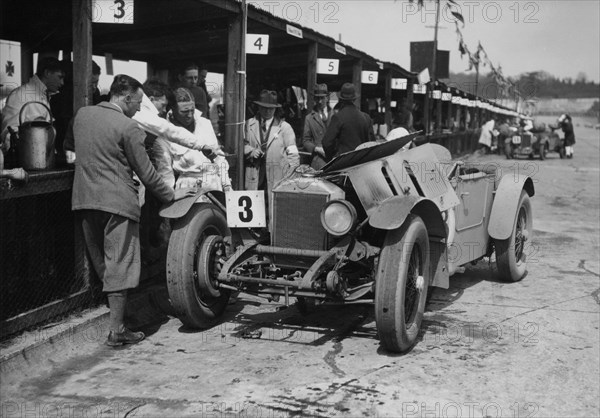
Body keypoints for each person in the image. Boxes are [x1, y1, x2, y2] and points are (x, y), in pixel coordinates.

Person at [71, 74, 194, 347]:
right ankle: (117, 330)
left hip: (84, 199)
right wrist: (170, 195)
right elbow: (148, 174)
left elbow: (71, 148)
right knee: (121, 263)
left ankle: (118, 316)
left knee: (101, 263)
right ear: (125, 98)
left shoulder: (82, 115)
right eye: (137, 104)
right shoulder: (130, 128)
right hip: (118, 203)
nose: (139, 109)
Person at [153, 87, 232, 191]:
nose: (189, 115)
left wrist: (226, 183)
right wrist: (171, 197)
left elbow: (219, 156)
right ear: (173, 109)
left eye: (192, 110)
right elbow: (165, 174)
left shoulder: (205, 124)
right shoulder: (164, 137)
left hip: (214, 185)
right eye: (184, 112)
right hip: (188, 189)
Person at [1, 57, 65, 154]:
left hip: (41, 159)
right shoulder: (20, 95)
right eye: (60, 77)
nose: (62, 83)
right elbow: (9, 135)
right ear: (47, 73)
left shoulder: (44, 95)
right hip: (25, 161)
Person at [244, 89, 299, 195]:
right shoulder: (248, 125)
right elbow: (240, 145)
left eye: (271, 109)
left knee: (273, 208)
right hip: (254, 176)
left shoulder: (285, 128)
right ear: (259, 107)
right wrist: (251, 151)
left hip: (277, 178)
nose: (267, 111)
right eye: (264, 108)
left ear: (275, 108)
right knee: (256, 207)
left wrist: (290, 179)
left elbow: (293, 155)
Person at [322, 83, 375, 161]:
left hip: (344, 162)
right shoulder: (366, 118)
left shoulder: (338, 117)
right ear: (354, 99)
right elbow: (372, 143)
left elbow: (326, 142)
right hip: (362, 162)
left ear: (341, 100)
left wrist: (331, 157)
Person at [302, 83, 331, 170]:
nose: (319, 101)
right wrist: (317, 149)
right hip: (318, 161)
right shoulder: (309, 118)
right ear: (314, 98)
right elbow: (305, 141)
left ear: (327, 98)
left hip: (334, 159)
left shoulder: (336, 115)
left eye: (322, 98)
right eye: (317, 98)